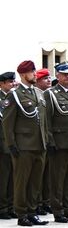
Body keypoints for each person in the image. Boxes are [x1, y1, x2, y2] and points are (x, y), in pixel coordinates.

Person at [2, 61, 50, 227]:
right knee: (22, 181)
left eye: (34, 71)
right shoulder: (14, 95)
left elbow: (43, 120)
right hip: (23, 145)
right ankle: (22, 213)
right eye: (31, 72)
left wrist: (46, 139)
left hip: (39, 144)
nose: (35, 74)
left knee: (36, 181)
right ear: (23, 75)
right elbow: (7, 123)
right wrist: (11, 145)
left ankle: (32, 210)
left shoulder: (38, 93)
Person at [44, 62, 68, 223]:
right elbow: (46, 120)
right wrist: (50, 141)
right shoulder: (50, 94)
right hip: (59, 142)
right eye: (65, 74)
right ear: (58, 76)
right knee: (57, 179)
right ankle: (58, 209)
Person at [0, 71, 15, 220]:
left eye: (12, 82)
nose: (12, 84)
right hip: (2, 144)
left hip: (11, 144)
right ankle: (3, 207)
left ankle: (11, 206)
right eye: (9, 82)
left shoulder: (13, 97)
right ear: (2, 84)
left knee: (12, 177)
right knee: (3, 177)